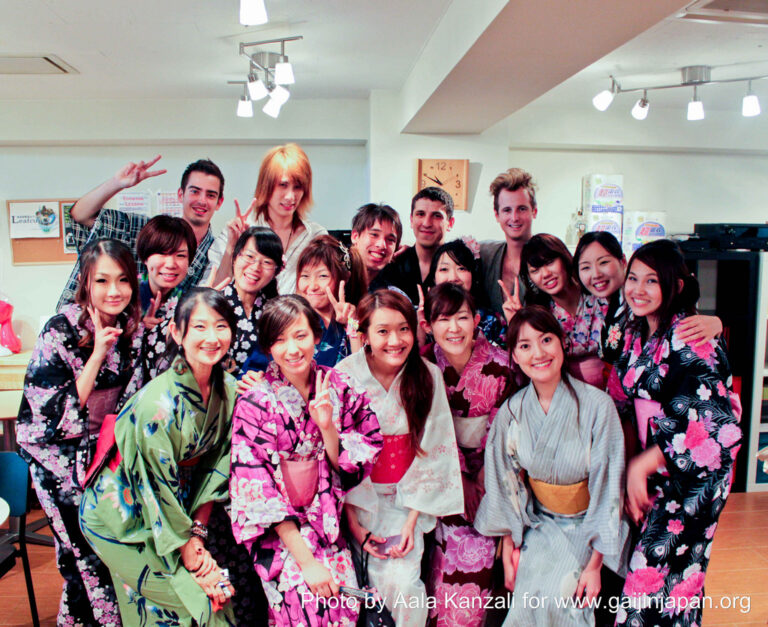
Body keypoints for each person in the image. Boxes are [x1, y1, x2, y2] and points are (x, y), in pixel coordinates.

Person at [80, 288, 238, 626]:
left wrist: (196, 534)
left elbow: (216, 468)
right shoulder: (157, 405)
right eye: (199, 327)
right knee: (193, 603)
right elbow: (153, 487)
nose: (212, 337)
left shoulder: (230, 391)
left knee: (210, 603)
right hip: (120, 515)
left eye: (221, 326)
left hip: (173, 517)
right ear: (177, 333)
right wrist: (194, 559)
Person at [606, 240, 742, 626]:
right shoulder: (633, 329)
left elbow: (710, 417)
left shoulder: (689, 335)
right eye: (633, 278)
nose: (638, 289)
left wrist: (642, 465)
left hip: (692, 476)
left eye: (652, 281)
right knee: (676, 584)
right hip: (659, 469)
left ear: (676, 287)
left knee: (656, 579)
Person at [229, 295, 383, 625]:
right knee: (305, 607)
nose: (292, 349)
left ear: (316, 335)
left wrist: (328, 428)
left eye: (300, 336)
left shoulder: (339, 385)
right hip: (282, 535)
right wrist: (307, 562)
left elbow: (361, 450)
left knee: (343, 612)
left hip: (328, 524)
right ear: (268, 347)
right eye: (279, 340)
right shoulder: (254, 403)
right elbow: (256, 487)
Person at [475, 305, 629, 626]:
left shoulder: (598, 407)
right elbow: (506, 485)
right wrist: (509, 550)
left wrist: (595, 565)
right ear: (514, 357)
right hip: (540, 525)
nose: (538, 353)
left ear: (562, 343)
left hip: (590, 529)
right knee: (526, 604)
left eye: (546, 340)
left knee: (566, 598)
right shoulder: (512, 413)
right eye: (525, 345)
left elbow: (608, 486)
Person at [17, 239, 143, 626]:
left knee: (104, 552)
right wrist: (96, 357)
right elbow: (53, 414)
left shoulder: (129, 325)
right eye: (102, 281)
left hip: (102, 453)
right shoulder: (60, 329)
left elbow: (132, 398)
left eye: (123, 280)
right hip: (55, 455)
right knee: (81, 556)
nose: (114, 291)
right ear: (86, 282)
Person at [336, 289, 463, 627]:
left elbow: (436, 449)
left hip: (408, 500)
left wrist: (412, 521)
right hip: (358, 500)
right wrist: (352, 523)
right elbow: (338, 456)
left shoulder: (427, 375)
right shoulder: (345, 376)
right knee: (359, 592)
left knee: (405, 586)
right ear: (363, 335)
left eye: (403, 328)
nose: (395, 340)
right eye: (382, 331)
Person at [420, 283, 524, 627]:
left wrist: (481, 476)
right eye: (443, 319)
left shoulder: (500, 363)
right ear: (428, 324)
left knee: (476, 564)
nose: (453, 328)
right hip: (437, 475)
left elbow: (506, 422)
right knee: (428, 575)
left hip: (489, 478)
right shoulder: (421, 365)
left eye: (462, 318)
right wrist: (458, 476)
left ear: (476, 320)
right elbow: (427, 428)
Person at [58, 156, 224, 309]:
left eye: (210, 195)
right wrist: (116, 183)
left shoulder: (216, 253)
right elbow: (80, 216)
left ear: (219, 202)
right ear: (181, 194)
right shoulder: (145, 228)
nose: (202, 200)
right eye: (195, 191)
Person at [573, 231, 723, 365]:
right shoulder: (597, 302)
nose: (596, 274)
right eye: (586, 267)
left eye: (604, 262)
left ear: (623, 261)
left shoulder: (642, 306)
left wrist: (717, 323)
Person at [208, 143, 327, 294]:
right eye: (283, 185)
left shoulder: (316, 236)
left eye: (298, 187)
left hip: (297, 316)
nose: (291, 196)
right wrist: (232, 246)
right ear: (266, 185)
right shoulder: (240, 229)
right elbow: (212, 292)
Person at [520, 234, 609, 387]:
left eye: (549, 262)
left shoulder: (596, 291)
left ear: (564, 257)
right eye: (535, 270)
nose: (545, 274)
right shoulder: (538, 311)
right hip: (566, 391)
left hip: (613, 386)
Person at [133, 215, 197, 383]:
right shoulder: (126, 294)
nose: (171, 264)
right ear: (145, 257)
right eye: (162, 253)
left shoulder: (186, 301)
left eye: (180, 255)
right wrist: (136, 327)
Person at [423, 237, 516, 347]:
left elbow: (511, 358)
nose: (453, 278)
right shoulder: (423, 318)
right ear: (433, 278)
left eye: (461, 268)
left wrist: (515, 322)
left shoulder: (490, 321)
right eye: (444, 269)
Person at [370, 187, 454, 305]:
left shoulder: (459, 269)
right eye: (420, 214)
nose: (426, 223)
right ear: (411, 220)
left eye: (436, 216)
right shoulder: (392, 265)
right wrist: (351, 322)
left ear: (450, 223)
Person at [220, 226, 283, 374]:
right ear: (235, 257)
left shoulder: (275, 311)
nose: (256, 267)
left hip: (259, 392)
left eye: (267, 262)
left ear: (276, 271)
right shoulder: (212, 303)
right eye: (249, 256)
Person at [479, 168, 538, 317]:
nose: (514, 217)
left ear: (534, 211)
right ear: (497, 215)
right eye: (507, 210)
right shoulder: (484, 253)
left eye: (522, 209)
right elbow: (448, 256)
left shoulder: (549, 259)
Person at [350, 202, 403, 283]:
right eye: (374, 235)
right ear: (355, 236)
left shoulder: (394, 290)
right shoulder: (335, 276)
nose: (382, 245)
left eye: (390, 239)